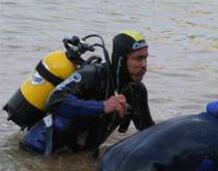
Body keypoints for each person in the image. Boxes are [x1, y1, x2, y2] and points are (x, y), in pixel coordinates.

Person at [21, 30, 155, 155]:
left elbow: (149, 133)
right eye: (138, 58)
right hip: (37, 150)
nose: (144, 64)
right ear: (121, 59)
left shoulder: (136, 91)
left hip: (74, 154)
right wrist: (103, 106)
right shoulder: (92, 75)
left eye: (145, 58)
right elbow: (55, 101)